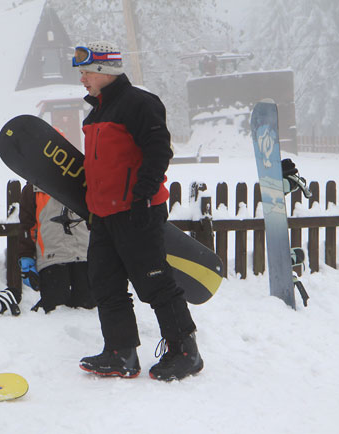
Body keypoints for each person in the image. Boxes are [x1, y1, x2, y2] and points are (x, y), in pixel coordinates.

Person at [71, 41, 204, 381]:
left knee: (154, 282)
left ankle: (185, 351)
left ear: (103, 71)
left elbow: (158, 152)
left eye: (86, 71)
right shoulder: (96, 112)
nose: (82, 78)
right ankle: (120, 353)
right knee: (105, 283)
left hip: (137, 211)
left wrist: (143, 197)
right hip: (103, 215)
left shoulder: (139, 104)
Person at [18, 179, 96, 313]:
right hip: (52, 260)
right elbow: (27, 227)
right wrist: (27, 257)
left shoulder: (82, 181)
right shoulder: (32, 190)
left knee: (88, 312)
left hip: (83, 257)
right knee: (56, 313)